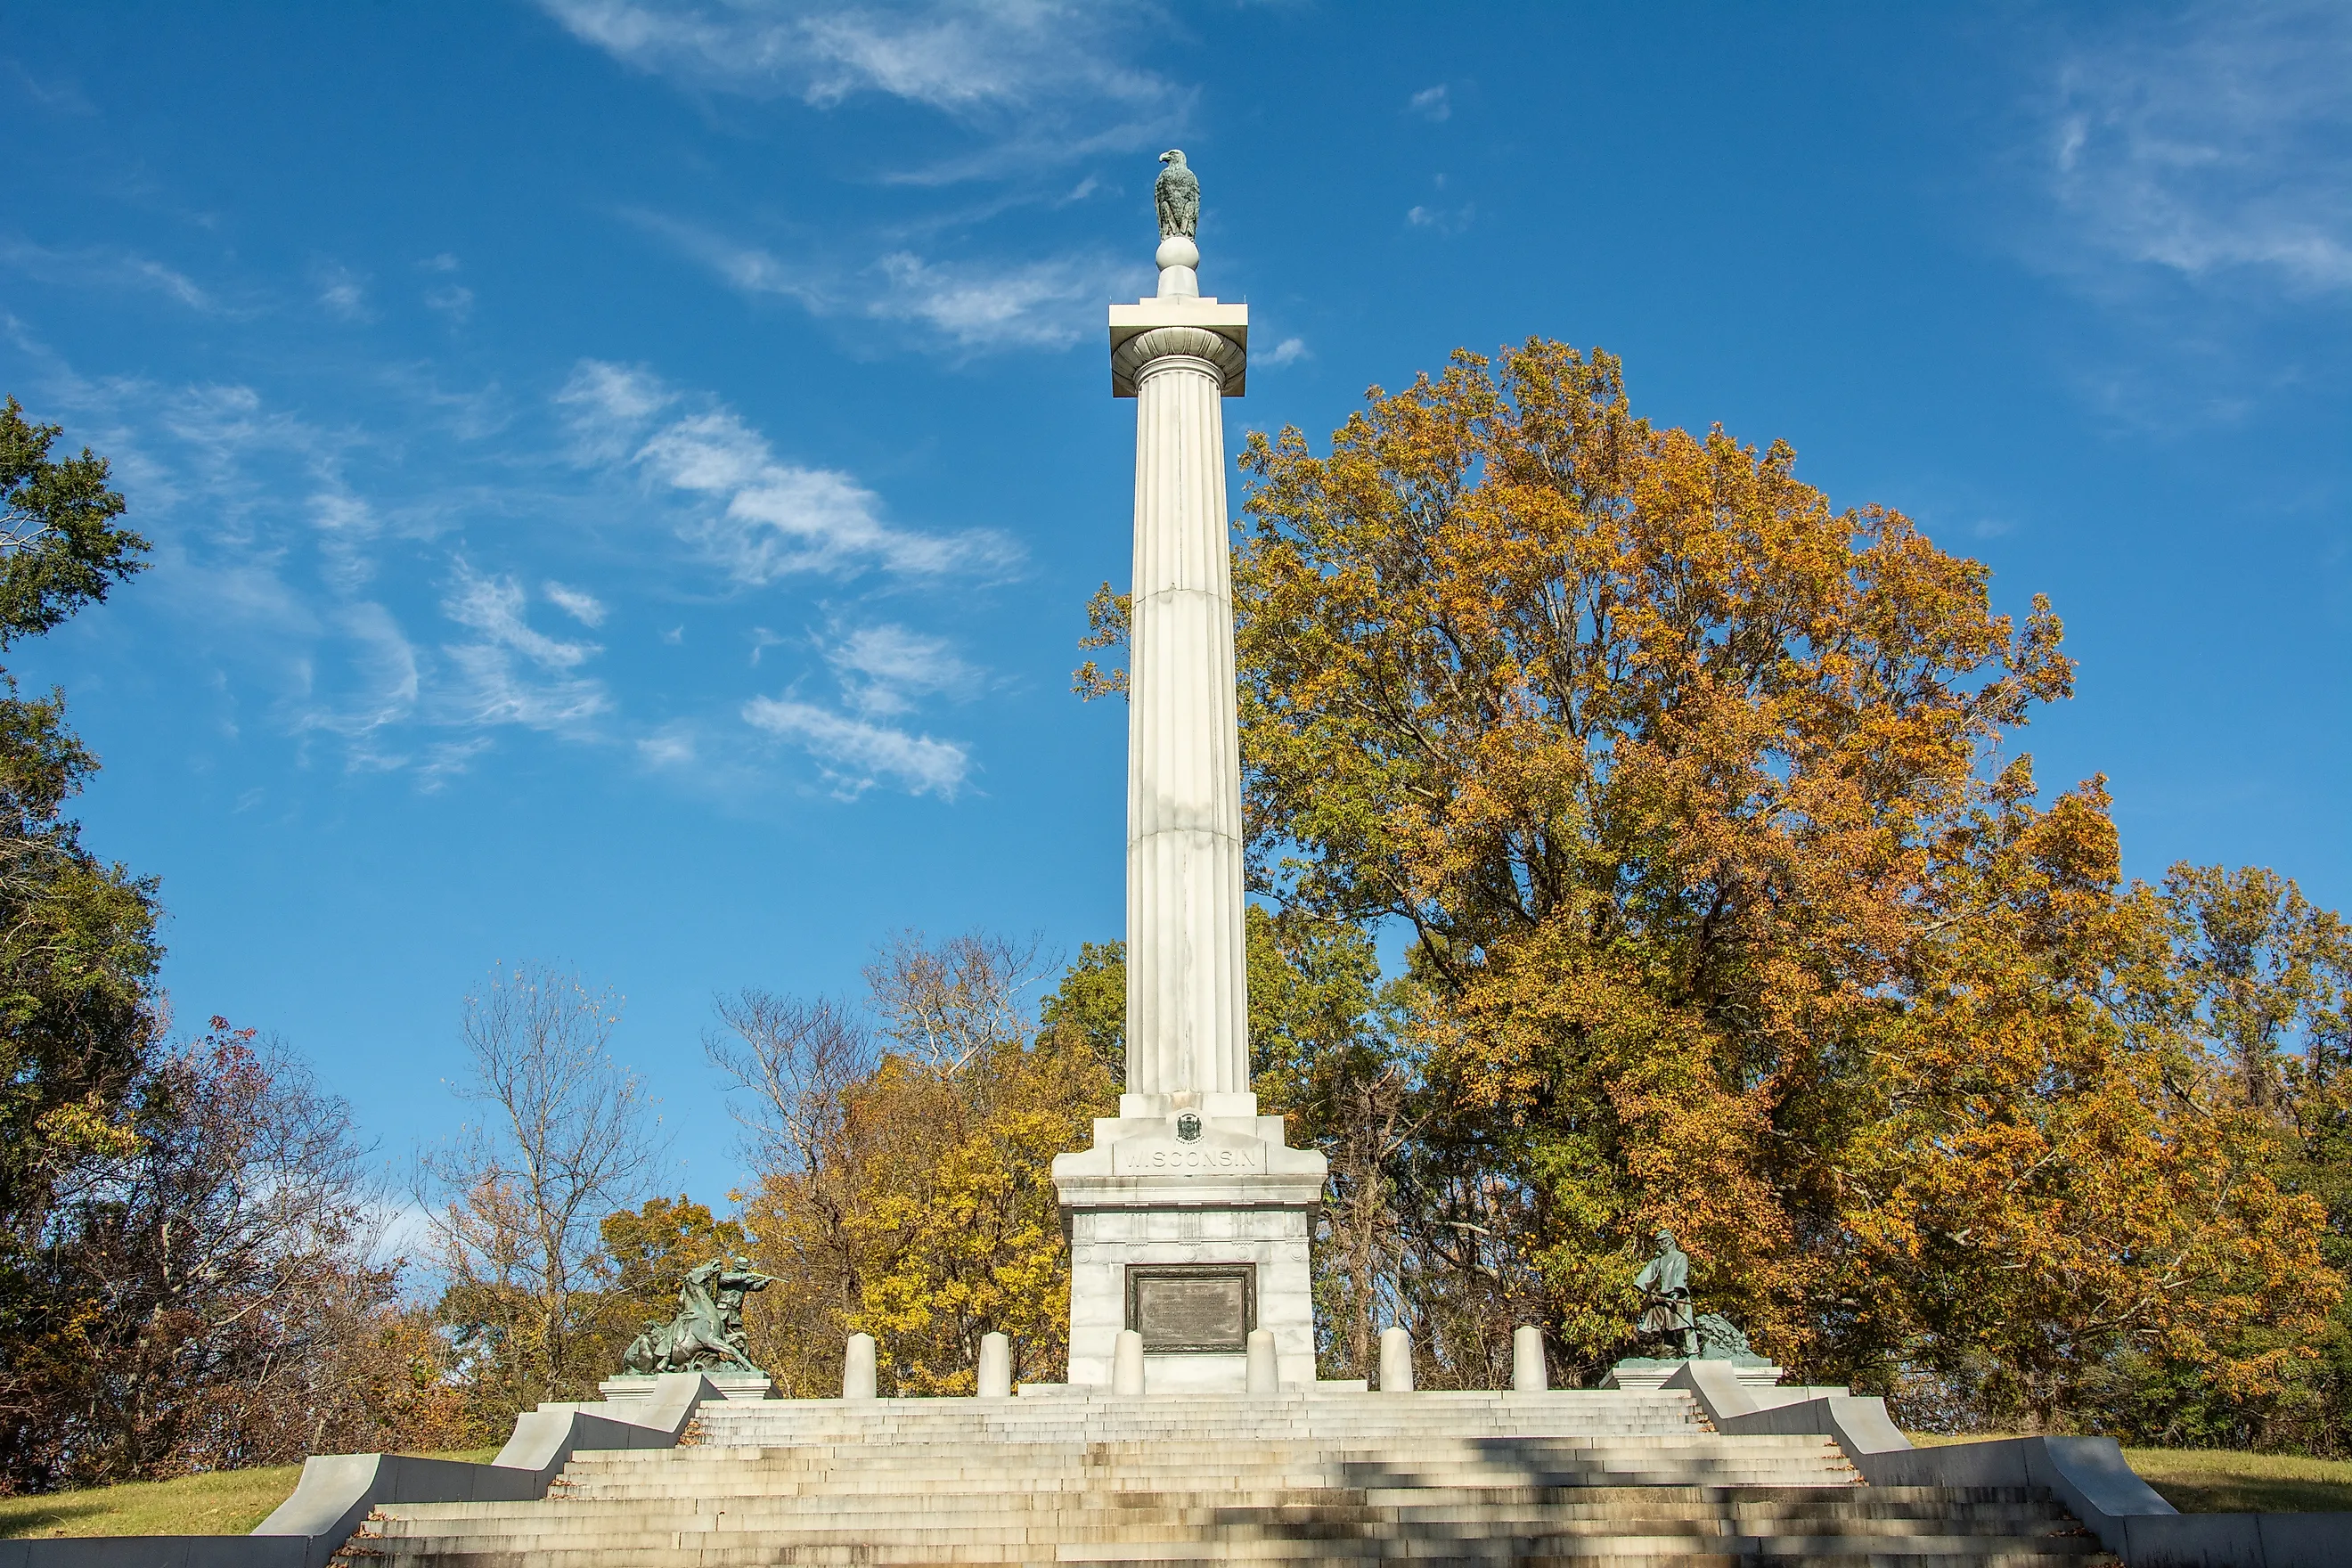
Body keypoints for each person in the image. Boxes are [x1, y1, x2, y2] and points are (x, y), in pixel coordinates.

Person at [1634, 1228, 1698, 1360]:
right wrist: (1651, 1294)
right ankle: (1668, 1355)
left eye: (1661, 1242)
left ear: (1669, 1242)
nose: (1659, 1246)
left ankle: (1693, 1351)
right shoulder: (1658, 1260)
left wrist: (1676, 1293)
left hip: (1678, 1296)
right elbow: (1648, 1278)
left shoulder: (1680, 1257)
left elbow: (1682, 1275)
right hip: (1662, 1298)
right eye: (1658, 1243)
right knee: (1667, 1327)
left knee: (1685, 1324)